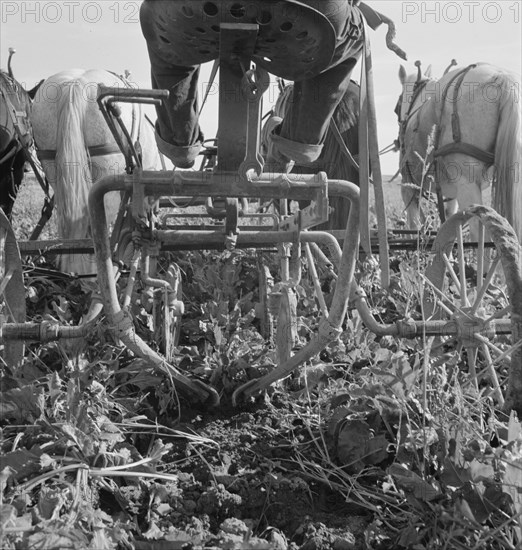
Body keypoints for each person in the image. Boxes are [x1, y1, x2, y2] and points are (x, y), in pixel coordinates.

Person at [139, 0, 383, 170]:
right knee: (349, 36)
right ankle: (298, 144)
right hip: (306, 11)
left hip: (193, 11)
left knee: (168, 44)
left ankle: (179, 143)